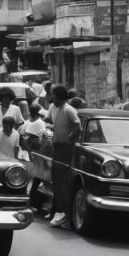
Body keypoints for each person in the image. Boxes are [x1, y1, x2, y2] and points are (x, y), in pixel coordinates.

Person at [45, 85, 81, 229]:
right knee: (56, 180)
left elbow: (77, 127)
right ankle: (58, 210)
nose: (51, 97)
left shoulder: (68, 110)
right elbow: (49, 119)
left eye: (53, 95)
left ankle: (66, 214)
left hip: (65, 149)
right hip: (57, 147)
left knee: (63, 181)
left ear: (59, 96)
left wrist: (69, 140)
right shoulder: (54, 108)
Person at [20, 104, 47, 212]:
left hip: (27, 153)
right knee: (32, 179)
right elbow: (27, 139)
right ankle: (28, 203)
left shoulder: (26, 122)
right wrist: (30, 151)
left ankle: (27, 202)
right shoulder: (40, 123)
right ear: (38, 112)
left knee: (28, 179)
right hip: (33, 154)